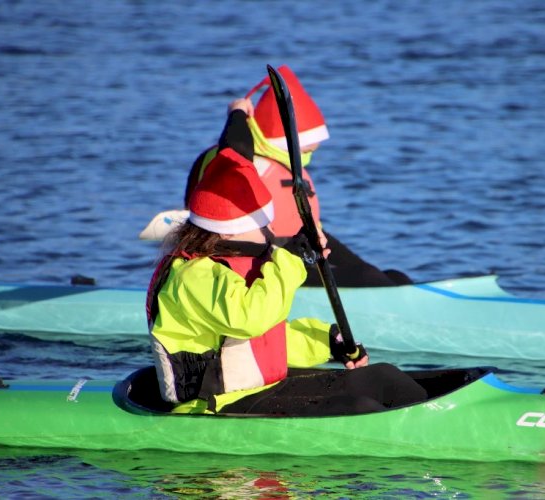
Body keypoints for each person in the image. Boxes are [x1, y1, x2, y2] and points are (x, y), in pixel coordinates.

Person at [146, 99, 427, 416]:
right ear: (227, 233)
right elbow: (252, 319)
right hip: (214, 405)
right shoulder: (192, 276)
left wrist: (325, 341)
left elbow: (268, 341)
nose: (269, 234)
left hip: (254, 389)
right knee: (358, 406)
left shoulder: (233, 265)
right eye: (262, 227)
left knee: (382, 378)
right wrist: (294, 257)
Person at [184, 65, 412, 288]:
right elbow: (236, 146)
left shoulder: (282, 163)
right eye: (305, 153)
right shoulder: (241, 163)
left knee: (394, 277)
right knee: (367, 277)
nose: (308, 159)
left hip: (296, 247)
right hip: (259, 262)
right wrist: (237, 112)